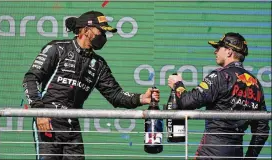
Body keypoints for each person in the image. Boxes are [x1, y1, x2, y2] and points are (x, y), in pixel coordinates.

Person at [22, 11, 160, 160]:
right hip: (49, 121)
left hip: (72, 126)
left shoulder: (99, 64)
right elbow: (31, 78)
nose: (104, 37)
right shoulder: (58, 49)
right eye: (101, 32)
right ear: (87, 30)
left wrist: (142, 98)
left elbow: (116, 95)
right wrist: (40, 112)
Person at [168, 32, 269, 160]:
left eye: (218, 48)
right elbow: (262, 129)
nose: (215, 52)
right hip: (237, 153)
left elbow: (187, 102)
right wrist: (249, 158)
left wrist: (177, 85)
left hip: (211, 150)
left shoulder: (220, 76)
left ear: (229, 52)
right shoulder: (256, 84)